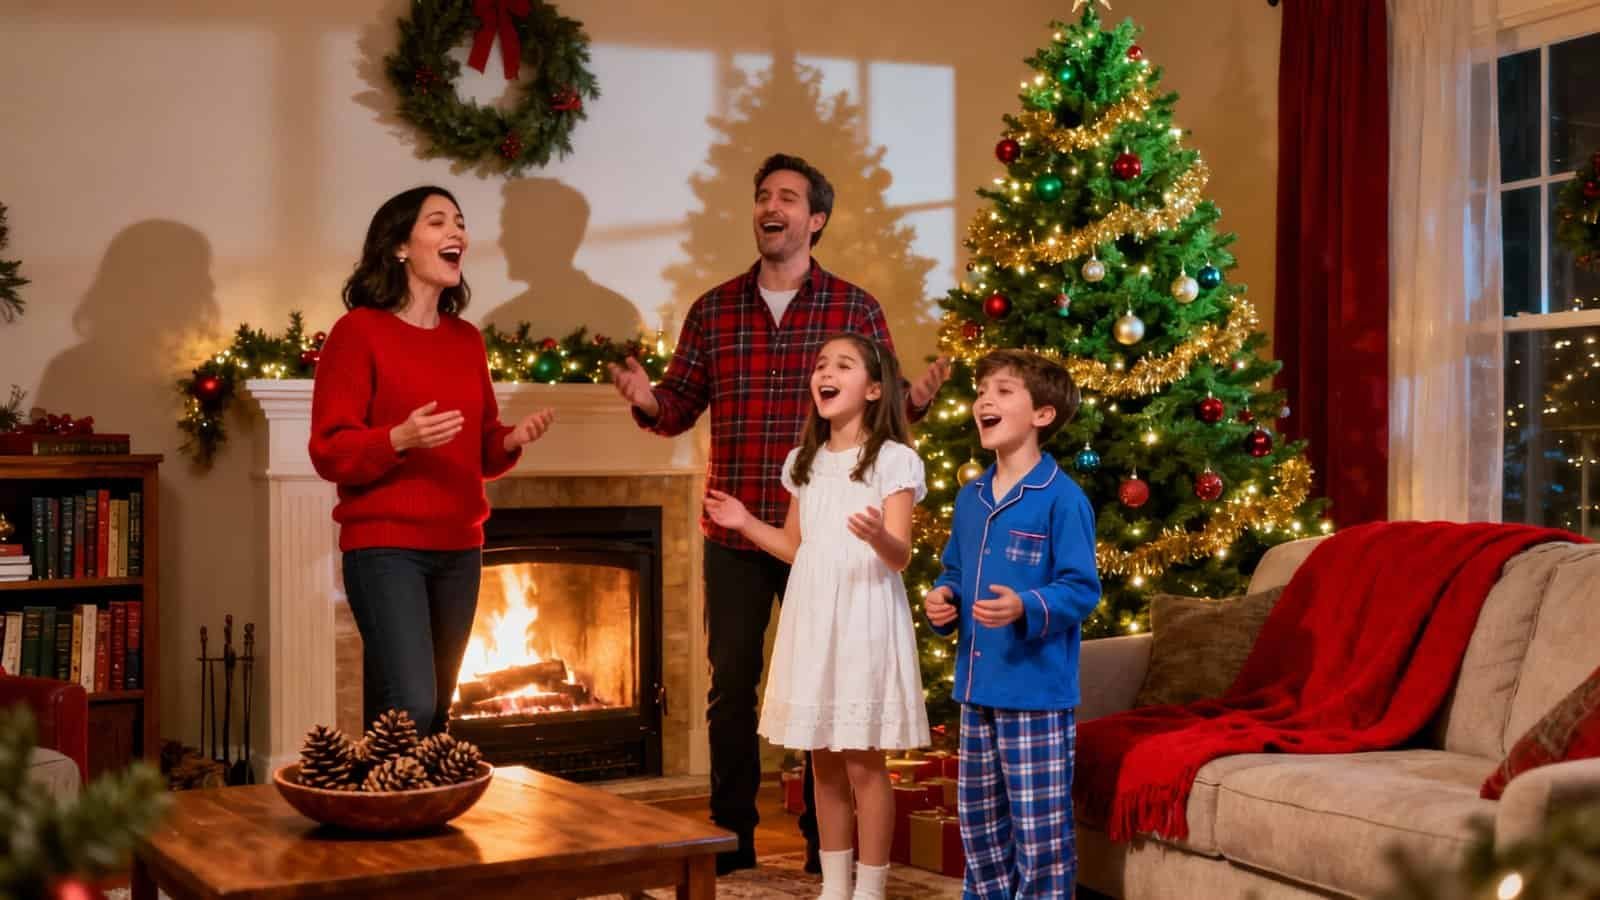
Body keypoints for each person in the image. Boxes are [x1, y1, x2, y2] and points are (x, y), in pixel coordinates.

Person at [609, 153, 951, 873]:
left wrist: (915, 401)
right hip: (737, 531)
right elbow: (678, 405)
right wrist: (648, 400)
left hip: (828, 543)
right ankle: (731, 838)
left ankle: (824, 849)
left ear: (815, 219)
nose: (772, 206)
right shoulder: (714, 309)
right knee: (731, 687)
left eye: (788, 197)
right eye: (764, 195)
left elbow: (882, 405)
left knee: (828, 688)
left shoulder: (854, 308)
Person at [309, 185, 555, 738]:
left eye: (460, 222)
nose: (456, 233)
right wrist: (398, 438)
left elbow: (480, 448)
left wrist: (510, 441)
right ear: (400, 245)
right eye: (438, 222)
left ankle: (394, 794)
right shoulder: (358, 333)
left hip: (460, 548)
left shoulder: (466, 340)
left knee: (436, 710)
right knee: (412, 704)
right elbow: (329, 451)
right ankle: (386, 791)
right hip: (386, 549)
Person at [705, 333, 930, 900]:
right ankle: (833, 888)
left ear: (874, 389)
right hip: (813, 618)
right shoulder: (802, 463)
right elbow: (793, 546)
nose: (826, 373)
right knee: (822, 760)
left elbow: (900, 555)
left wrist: (878, 535)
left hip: (863, 616)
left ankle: (870, 890)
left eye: (844, 365)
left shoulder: (894, 460)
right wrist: (744, 522)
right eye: (821, 364)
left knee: (863, 762)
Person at [922, 349, 1102, 898]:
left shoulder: (1063, 499)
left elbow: (1081, 589)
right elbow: (955, 571)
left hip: (1036, 695)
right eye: (981, 391)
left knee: (1039, 835)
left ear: (1042, 415)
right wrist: (944, 599)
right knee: (980, 832)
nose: (984, 400)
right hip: (977, 691)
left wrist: (1026, 606)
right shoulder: (970, 497)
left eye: (1003, 391)